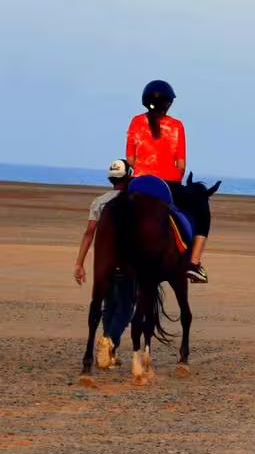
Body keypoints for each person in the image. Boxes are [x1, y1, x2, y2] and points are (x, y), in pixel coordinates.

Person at [125, 80, 211, 283]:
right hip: (168, 185)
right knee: (202, 211)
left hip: (138, 183)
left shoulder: (136, 122)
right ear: (169, 104)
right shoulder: (177, 126)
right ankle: (195, 264)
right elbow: (181, 165)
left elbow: (129, 159)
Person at [74, 159, 136, 351]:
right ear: (130, 176)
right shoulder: (134, 202)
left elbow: (89, 233)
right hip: (127, 263)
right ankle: (108, 341)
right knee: (126, 309)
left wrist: (79, 263)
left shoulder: (99, 201)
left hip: (103, 263)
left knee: (108, 306)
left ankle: (108, 350)